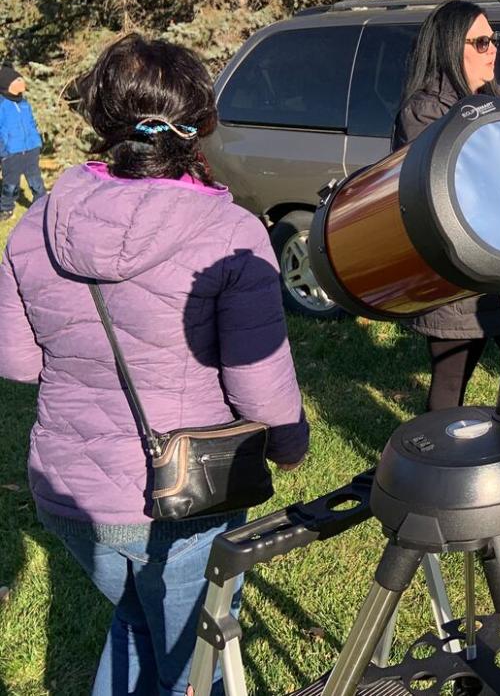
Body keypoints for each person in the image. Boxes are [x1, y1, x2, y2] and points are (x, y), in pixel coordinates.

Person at [0, 34, 309, 696]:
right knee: (195, 664)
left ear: (101, 118)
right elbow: (259, 380)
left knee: (136, 623)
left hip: (71, 492)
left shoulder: (37, 222)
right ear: (198, 122)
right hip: (186, 494)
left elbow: (18, 362)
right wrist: (290, 445)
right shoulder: (231, 234)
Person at [393, 0, 500, 411]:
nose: (493, 47)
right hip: (455, 274)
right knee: (450, 382)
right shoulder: (425, 113)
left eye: (493, 39)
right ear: (449, 47)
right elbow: (448, 194)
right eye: (480, 42)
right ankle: (433, 466)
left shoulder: (498, 98)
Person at [0, 64, 47, 220]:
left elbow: (32, 123)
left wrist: (36, 140)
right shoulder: (2, 105)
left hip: (31, 148)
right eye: (17, 80)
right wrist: (3, 150)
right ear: (7, 84)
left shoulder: (24, 103)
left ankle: (41, 205)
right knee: (11, 183)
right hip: (12, 152)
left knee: (35, 179)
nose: (22, 82)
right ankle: (6, 208)